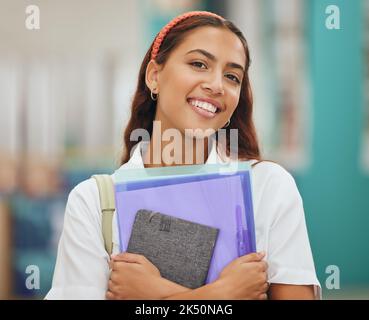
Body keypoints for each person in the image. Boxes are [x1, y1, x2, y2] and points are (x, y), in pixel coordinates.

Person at [45, 11, 320, 300]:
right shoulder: (93, 202)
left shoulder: (268, 186)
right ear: (154, 76)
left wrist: (154, 293)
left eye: (232, 76)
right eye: (199, 64)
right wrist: (225, 293)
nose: (217, 85)